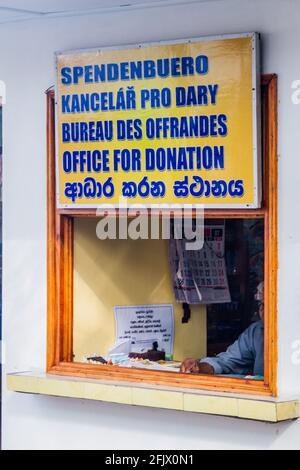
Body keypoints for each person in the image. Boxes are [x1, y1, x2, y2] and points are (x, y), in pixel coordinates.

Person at [180, 281, 264, 376]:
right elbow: (227, 361)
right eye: (261, 304)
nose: (262, 309)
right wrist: (199, 367)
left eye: (267, 303)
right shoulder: (256, 331)